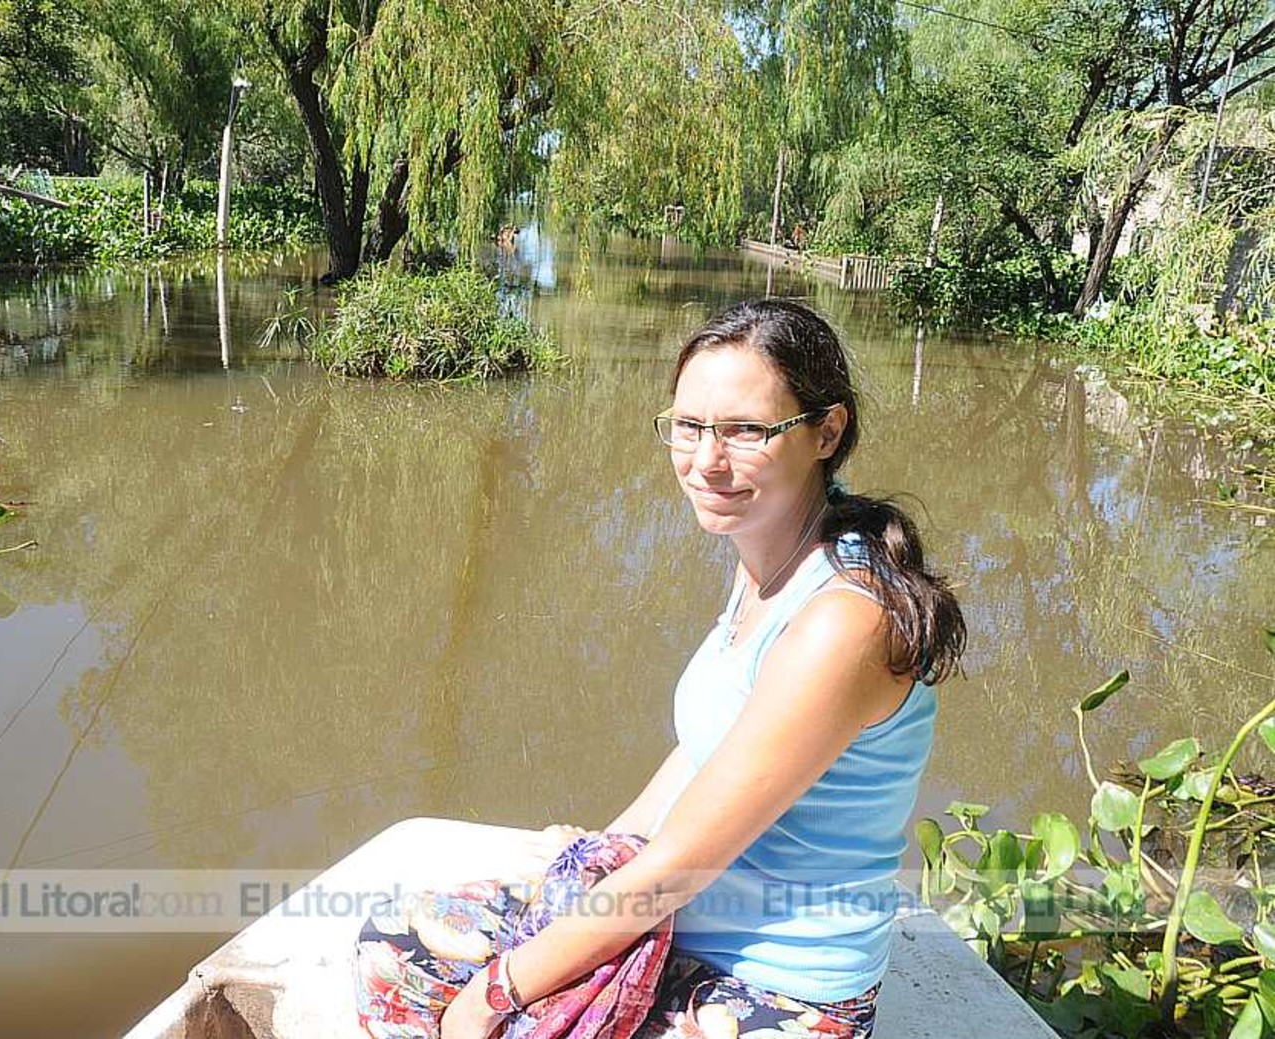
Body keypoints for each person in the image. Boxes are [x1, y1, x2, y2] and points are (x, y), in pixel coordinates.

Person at [357, 298, 966, 1039]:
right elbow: (705, 750)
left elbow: (679, 866)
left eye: (745, 430)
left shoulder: (844, 618)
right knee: (400, 943)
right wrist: (591, 853)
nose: (706, 461)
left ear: (825, 431)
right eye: (687, 426)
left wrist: (496, 994)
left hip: (775, 987)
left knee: (481, 1011)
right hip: (682, 929)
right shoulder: (765, 551)